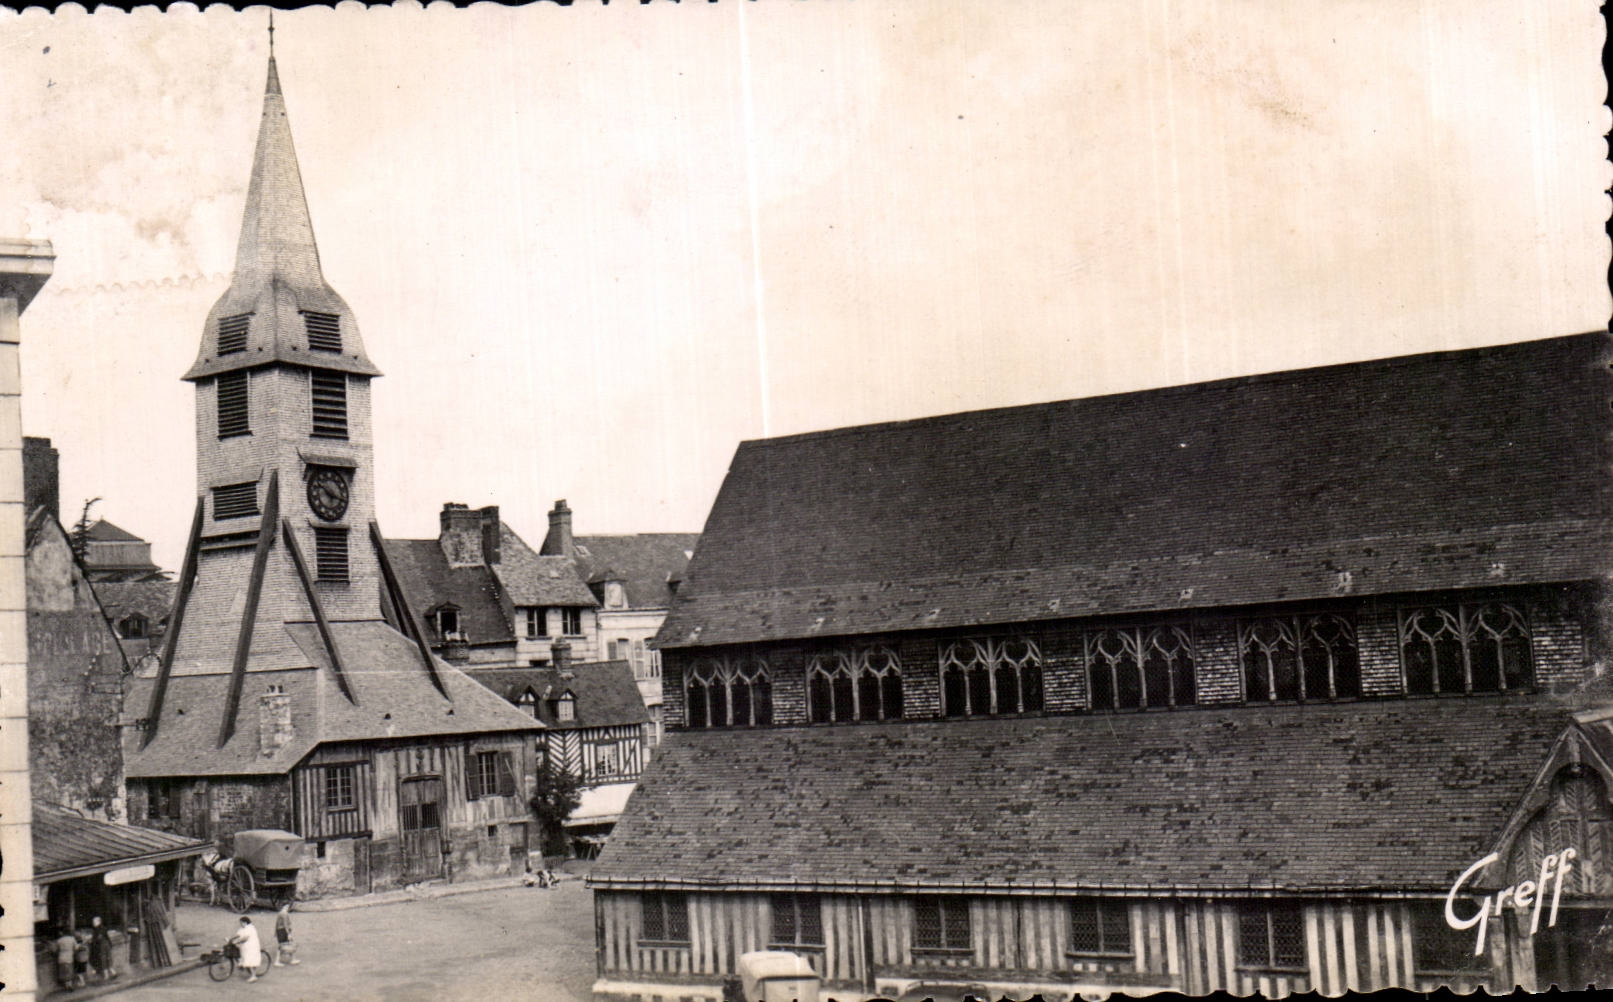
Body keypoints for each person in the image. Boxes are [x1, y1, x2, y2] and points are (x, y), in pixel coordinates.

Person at [230, 914, 262, 983]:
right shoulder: (243, 928)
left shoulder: (250, 928)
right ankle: (243, 966)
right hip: (246, 946)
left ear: (245, 922)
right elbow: (238, 934)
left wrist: (237, 941)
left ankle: (254, 976)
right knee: (244, 957)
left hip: (252, 946)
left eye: (241, 923)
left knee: (250, 960)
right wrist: (231, 939)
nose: (240, 924)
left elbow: (245, 938)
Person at [89, 915, 116, 982]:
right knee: (108, 958)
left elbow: (97, 938)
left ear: (98, 922)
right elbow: (107, 936)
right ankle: (113, 972)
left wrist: (92, 942)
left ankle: (107, 975)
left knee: (103, 959)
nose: (93, 923)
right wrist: (110, 944)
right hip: (106, 944)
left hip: (101, 946)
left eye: (94, 922)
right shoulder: (103, 928)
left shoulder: (97, 930)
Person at [273, 902, 299, 966]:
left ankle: (292, 959)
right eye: (286, 906)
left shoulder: (280, 913)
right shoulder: (284, 913)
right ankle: (277, 961)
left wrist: (275, 933)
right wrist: (288, 934)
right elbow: (285, 924)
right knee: (283, 945)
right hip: (283, 931)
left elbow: (277, 924)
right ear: (283, 907)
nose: (287, 908)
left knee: (287, 944)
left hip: (280, 931)